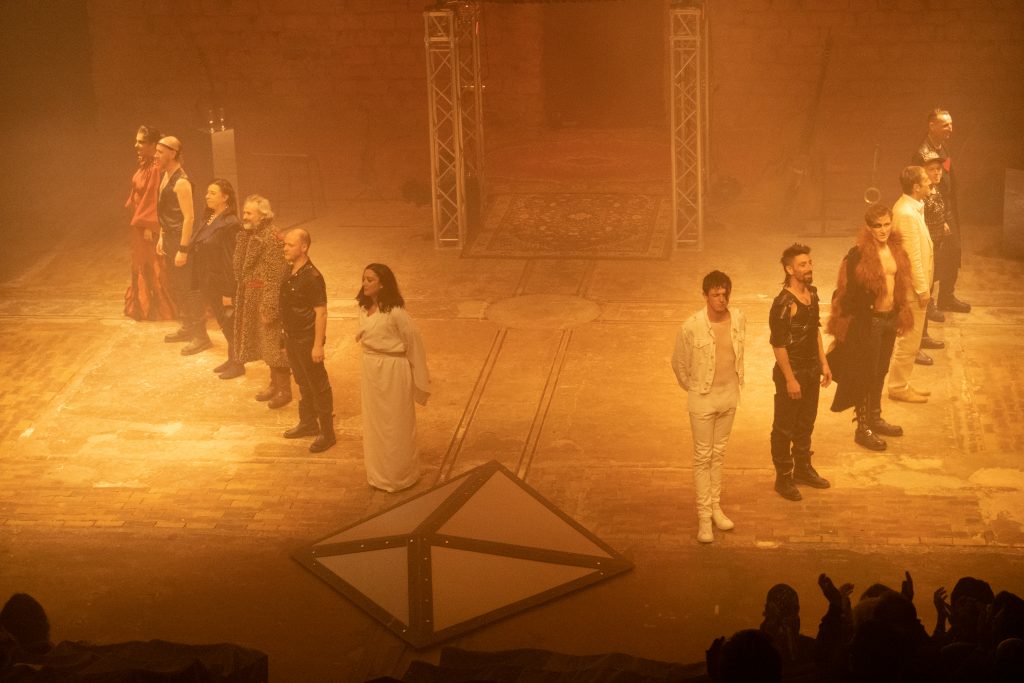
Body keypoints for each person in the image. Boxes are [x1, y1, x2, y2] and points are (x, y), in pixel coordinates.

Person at [827, 204, 915, 450]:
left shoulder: (897, 251)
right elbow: (845, 294)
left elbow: (900, 286)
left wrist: (901, 313)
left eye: (887, 224)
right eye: (878, 226)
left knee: (880, 371)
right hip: (869, 321)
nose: (883, 230)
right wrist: (844, 329)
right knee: (865, 373)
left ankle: (875, 418)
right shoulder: (858, 255)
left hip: (889, 319)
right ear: (868, 227)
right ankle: (862, 427)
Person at [671, 271, 744, 544]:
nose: (721, 299)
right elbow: (679, 364)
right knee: (703, 457)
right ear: (705, 296)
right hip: (703, 398)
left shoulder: (739, 319)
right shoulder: (691, 327)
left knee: (718, 454)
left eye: (725, 294)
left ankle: (715, 508)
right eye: (716, 294)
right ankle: (704, 517)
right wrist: (696, 388)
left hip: (729, 396)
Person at [356, 264, 430, 492]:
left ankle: (400, 475)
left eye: (370, 280)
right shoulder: (363, 308)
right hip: (371, 370)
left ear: (383, 284)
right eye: (364, 279)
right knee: (375, 422)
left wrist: (420, 377)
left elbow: (414, 342)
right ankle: (378, 474)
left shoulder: (396, 312)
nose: (365, 283)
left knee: (396, 422)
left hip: (393, 371)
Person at [769, 244, 832, 501]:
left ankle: (803, 469)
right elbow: (779, 345)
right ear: (789, 269)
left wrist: (824, 363)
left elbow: (814, 331)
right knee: (784, 428)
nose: (808, 268)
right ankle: (784, 477)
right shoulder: (783, 303)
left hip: (811, 371)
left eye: (809, 263)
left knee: (806, 423)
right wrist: (790, 379)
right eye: (802, 265)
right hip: (792, 373)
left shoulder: (812, 294)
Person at [233, 195, 291, 408]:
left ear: (263, 215)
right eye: (244, 212)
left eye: (249, 213)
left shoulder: (272, 238)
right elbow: (240, 268)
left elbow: (275, 276)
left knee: (274, 345)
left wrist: (269, 307)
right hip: (252, 297)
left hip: (267, 298)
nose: (245, 216)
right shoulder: (250, 235)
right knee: (265, 344)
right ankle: (274, 384)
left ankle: (284, 389)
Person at [280, 228, 335, 453]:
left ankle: (327, 433)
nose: (285, 248)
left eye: (290, 245)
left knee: (318, 385)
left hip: (306, 339)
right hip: (292, 337)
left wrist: (318, 345)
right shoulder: (289, 270)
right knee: (302, 382)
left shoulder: (313, 277)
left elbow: (321, 313)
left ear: (304, 247)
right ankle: (308, 423)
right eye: (285, 244)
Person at [154, 136, 210, 355]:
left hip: (181, 240)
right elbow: (165, 212)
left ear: (173, 153)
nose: (156, 155)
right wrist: (162, 236)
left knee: (190, 289)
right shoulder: (165, 177)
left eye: (160, 152)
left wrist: (183, 249)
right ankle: (188, 327)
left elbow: (189, 218)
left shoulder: (181, 182)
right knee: (178, 286)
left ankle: (201, 336)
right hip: (170, 239)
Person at [912, 108, 970, 314]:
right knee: (933, 258)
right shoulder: (922, 154)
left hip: (948, 209)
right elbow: (921, 187)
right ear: (932, 126)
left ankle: (947, 297)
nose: (950, 129)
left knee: (953, 253)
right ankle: (928, 303)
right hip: (934, 212)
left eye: (951, 124)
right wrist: (939, 217)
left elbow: (947, 174)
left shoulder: (943, 146)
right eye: (945, 125)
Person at [887, 165, 934, 400]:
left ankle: (902, 384)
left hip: (914, 288)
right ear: (916, 187)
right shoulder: (906, 213)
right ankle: (897, 387)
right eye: (926, 180)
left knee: (911, 340)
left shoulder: (912, 208)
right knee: (909, 340)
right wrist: (922, 289)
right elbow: (911, 257)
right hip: (912, 290)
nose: (930, 183)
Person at [191, 179, 243, 379]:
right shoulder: (210, 217)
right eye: (207, 192)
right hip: (209, 279)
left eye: (212, 193)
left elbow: (231, 260)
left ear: (225, 197)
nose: (207, 196)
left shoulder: (231, 223)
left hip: (223, 283)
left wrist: (229, 292)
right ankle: (232, 358)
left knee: (229, 322)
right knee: (223, 321)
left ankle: (238, 363)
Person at [123, 124, 175, 321]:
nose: (136, 145)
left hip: (147, 224)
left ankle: (158, 306)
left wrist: (149, 225)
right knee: (141, 260)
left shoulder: (154, 169)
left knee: (151, 262)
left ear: (153, 145)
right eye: (136, 141)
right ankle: (145, 303)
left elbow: (153, 198)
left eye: (141, 142)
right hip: (139, 222)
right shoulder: (145, 165)